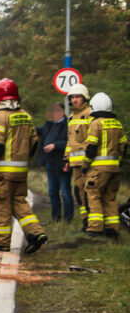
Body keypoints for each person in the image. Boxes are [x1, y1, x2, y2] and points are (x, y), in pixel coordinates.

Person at [0, 78, 46, 253]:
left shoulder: (0, 116)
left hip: (2, 174)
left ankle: (1, 242)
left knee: (1, 207)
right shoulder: (26, 115)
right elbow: (34, 143)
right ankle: (36, 233)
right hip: (21, 172)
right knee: (20, 204)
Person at [82, 91, 123, 240]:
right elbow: (124, 145)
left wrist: (85, 165)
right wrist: (118, 161)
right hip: (115, 169)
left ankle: (95, 229)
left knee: (93, 195)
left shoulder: (96, 123)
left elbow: (91, 147)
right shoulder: (117, 124)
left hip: (99, 169)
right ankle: (113, 230)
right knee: (110, 198)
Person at [64, 82, 93, 230]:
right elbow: (70, 140)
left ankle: (92, 222)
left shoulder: (90, 114)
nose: (74, 100)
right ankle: (85, 221)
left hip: (88, 164)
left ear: (84, 98)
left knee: (89, 193)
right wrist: (66, 158)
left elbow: (92, 138)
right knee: (79, 192)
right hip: (75, 164)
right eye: (72, 97)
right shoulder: (71, 117)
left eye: (78, 97)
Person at [37, 101, 71, 222]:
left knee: (65, 193)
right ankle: (55, 218)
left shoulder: (68, 125)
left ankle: (68, 219)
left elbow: (71, 142)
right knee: (52, 192)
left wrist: (55, 145)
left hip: (62, 162)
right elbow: (42, 132)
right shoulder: (49, 124)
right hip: (50, 162)